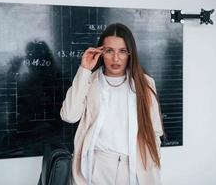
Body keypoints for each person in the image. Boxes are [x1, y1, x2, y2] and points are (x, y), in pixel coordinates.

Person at [60, 23, 164, 185]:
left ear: (130, 53)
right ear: (101, 53)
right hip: (95, 166)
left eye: (122, 51)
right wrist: (84, 69)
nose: (116, 59)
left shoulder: (145, 83)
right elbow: (69, 116)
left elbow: (156, 130)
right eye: (109, 51)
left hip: (135, 166)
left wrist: (150, 165)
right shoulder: (90, 81)